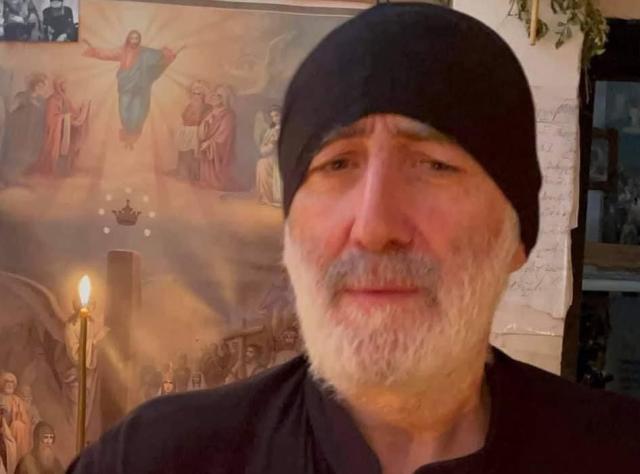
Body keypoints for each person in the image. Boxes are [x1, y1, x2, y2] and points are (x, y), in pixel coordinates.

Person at [67, 5, 640, 473]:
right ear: (290, 234)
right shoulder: (156, 459)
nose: (373, 227)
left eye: (435, 165)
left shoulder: (616, 453)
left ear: (516, 233)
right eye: (336, 164)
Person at [82, 30, 184, 149]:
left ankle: (132, 138)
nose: (134, 41)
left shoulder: (145, 52)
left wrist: (173, 53)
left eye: (136, 38)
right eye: (132, 38)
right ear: (128, 39)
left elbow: (160, 56)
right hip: (125, 87)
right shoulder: (122, 51)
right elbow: (107, 54)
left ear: (139, 40)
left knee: (137, 114)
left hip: (140, 88)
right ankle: (128, 135)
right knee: (124, 112)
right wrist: (92, 49)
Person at [28, 77, 89, 177]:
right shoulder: (52, 99)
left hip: (65, 130)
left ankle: (63, 170)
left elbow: (73, 112)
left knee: (68, 148)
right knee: (54, 149)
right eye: (63, 84)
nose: (65, 86)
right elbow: (50, 118)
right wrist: (64, 117)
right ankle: (51, 169)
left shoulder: (65, 99)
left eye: (65, 84)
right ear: (58, 86)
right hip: (56, 131)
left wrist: (82, 110)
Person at [0, 73, 47, 184]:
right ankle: (6, 178)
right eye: (40, 85)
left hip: (32, 133)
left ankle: (14, 177)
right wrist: (21, 104)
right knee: (16, 155)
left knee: (29, 156)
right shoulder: (22, 96)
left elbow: (42, 117)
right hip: (20, 132)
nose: (42, 88)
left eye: (43, 86)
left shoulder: (41, 100)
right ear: (34, 85)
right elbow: (11, 110)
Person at [197, 85, 242, 190]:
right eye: (215, 94)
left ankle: (218, 182)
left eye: (219, 96)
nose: (214, 97)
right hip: (208, 146)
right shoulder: (210, 113)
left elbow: (224, 136)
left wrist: (209, 143)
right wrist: (206, 124)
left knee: (220, 180)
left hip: (220, 150)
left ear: (225, 99)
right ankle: (207, 181)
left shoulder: (229, 115)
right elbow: (202, 131)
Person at [174, 81, 211, 182]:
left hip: (199, 134)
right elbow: (184, 118)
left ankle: (195, 175)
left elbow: (207, 123)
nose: (196, 96)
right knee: (184, 153)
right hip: (187, 133)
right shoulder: (189, 106)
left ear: (203, 95)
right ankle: (183, 174)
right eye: (194, 93)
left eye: (198, 94)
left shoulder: (208, 108)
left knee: (195, 155)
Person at [0, 372, 31, 464]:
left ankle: (18, 462)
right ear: (2, 384)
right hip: (1, 431)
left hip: (14, 433)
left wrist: (15, 426)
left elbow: (25, 421)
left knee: (18, 425)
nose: (10, 385)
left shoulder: (17, 401)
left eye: (12, 383)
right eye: (7, 382)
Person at [255, 105, 283, 205]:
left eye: (276, 115)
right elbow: (264, 144)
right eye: (272, 116)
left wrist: (266, 149)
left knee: (263, 164)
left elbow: (273, 146)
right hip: (269, 155)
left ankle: (270, 197)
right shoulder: (271, 129)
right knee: (261, 163)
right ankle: (265, 196)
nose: (274, 118)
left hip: (278, 157)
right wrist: (264, 149)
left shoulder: (282, 129)